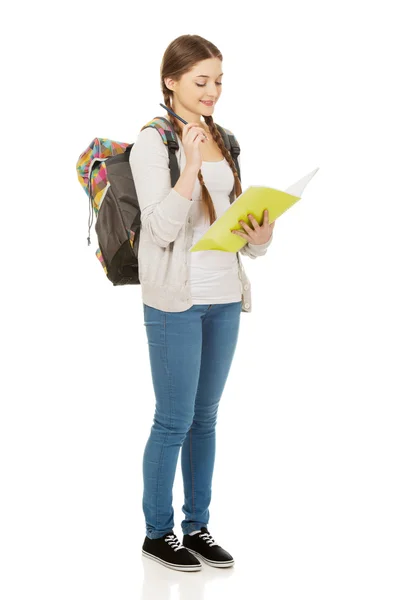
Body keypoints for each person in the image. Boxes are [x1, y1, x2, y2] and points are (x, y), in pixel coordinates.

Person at [129, 34, 275, 573]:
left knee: (205, 418)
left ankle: (197, 527)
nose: (212, 91)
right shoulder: (153, 144)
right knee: (173, 419)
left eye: (218, 81)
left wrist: (261, 234)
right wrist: (188, 166)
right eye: (201, 81)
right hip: (175, 301)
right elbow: (162, 229)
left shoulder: (226, 139)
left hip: (224, 298)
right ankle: (156, 533)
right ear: (171, 81)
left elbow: (240, 236)